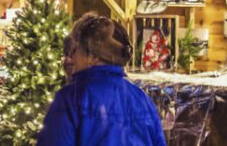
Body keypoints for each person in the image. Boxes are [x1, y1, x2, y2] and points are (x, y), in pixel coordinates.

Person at [37, 14, 166, 146]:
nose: (72, 57)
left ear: (93, 56)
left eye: (75, 49)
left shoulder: (71, 99)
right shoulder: (143, 100)